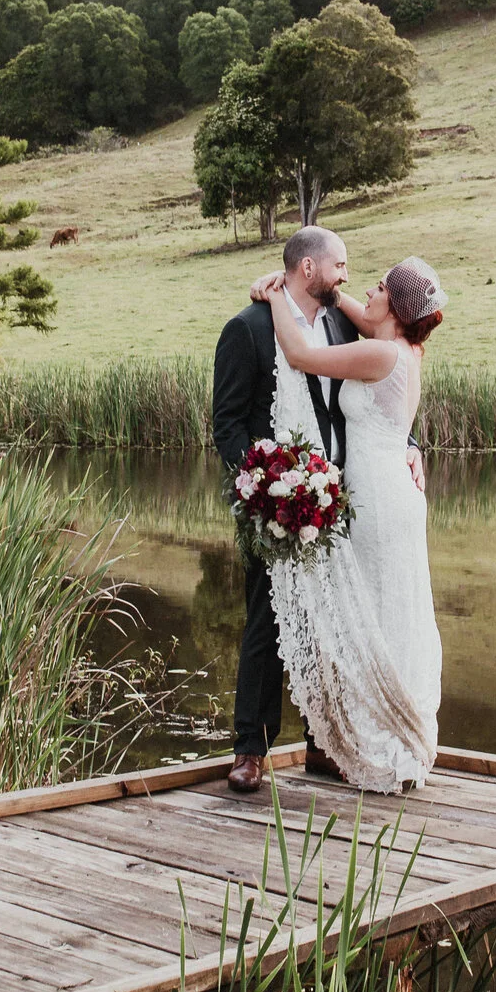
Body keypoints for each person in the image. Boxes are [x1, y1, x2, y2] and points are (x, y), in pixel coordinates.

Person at [250, 252, 447, 793]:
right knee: (392, 610)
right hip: (396, 496)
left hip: (380, 501)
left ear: (397, 308)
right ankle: (388, 731)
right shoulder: (403, 346)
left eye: (381, 287)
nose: (369, 290)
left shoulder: (381, 354)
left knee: (376, 612)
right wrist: (326, 291)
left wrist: (274, 297)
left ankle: (378, 739)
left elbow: (299, 353)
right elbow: (353, 309)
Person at [211, 228, 361, 794]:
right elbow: (227, 423)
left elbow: (370, 397)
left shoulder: (341, 325)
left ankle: (322, 744)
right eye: (339, 266)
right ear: (307, 270)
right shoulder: (246, 330)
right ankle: (251, 749)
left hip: (334, 501)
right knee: (265, 623)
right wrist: (262, 487)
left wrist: (410, 444)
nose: (345, 276)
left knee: (330, 623)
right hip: (270, 507)